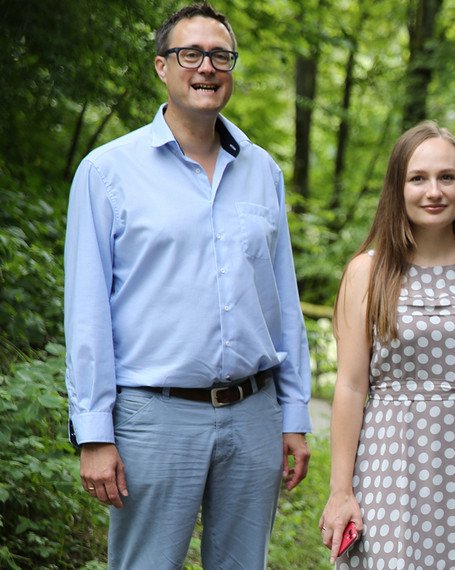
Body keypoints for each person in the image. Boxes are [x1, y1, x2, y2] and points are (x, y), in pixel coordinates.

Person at [64, 2, 312, 567]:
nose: (206, 67)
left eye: (220, 55)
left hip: (254, 415)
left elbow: (283, 304)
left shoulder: (262, 171)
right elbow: (86, 312)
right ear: (162, 66)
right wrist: (94, 431)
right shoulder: (107, 172)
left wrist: (294, 414)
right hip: (153, 417)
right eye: (190, 54)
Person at [318, 121, 455, 568]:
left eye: (446, 177)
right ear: (399, 187)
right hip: (390, 460)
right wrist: (341, 492)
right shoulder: (367, 272)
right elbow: (351, 387)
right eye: (418, 178)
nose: (434, 191)